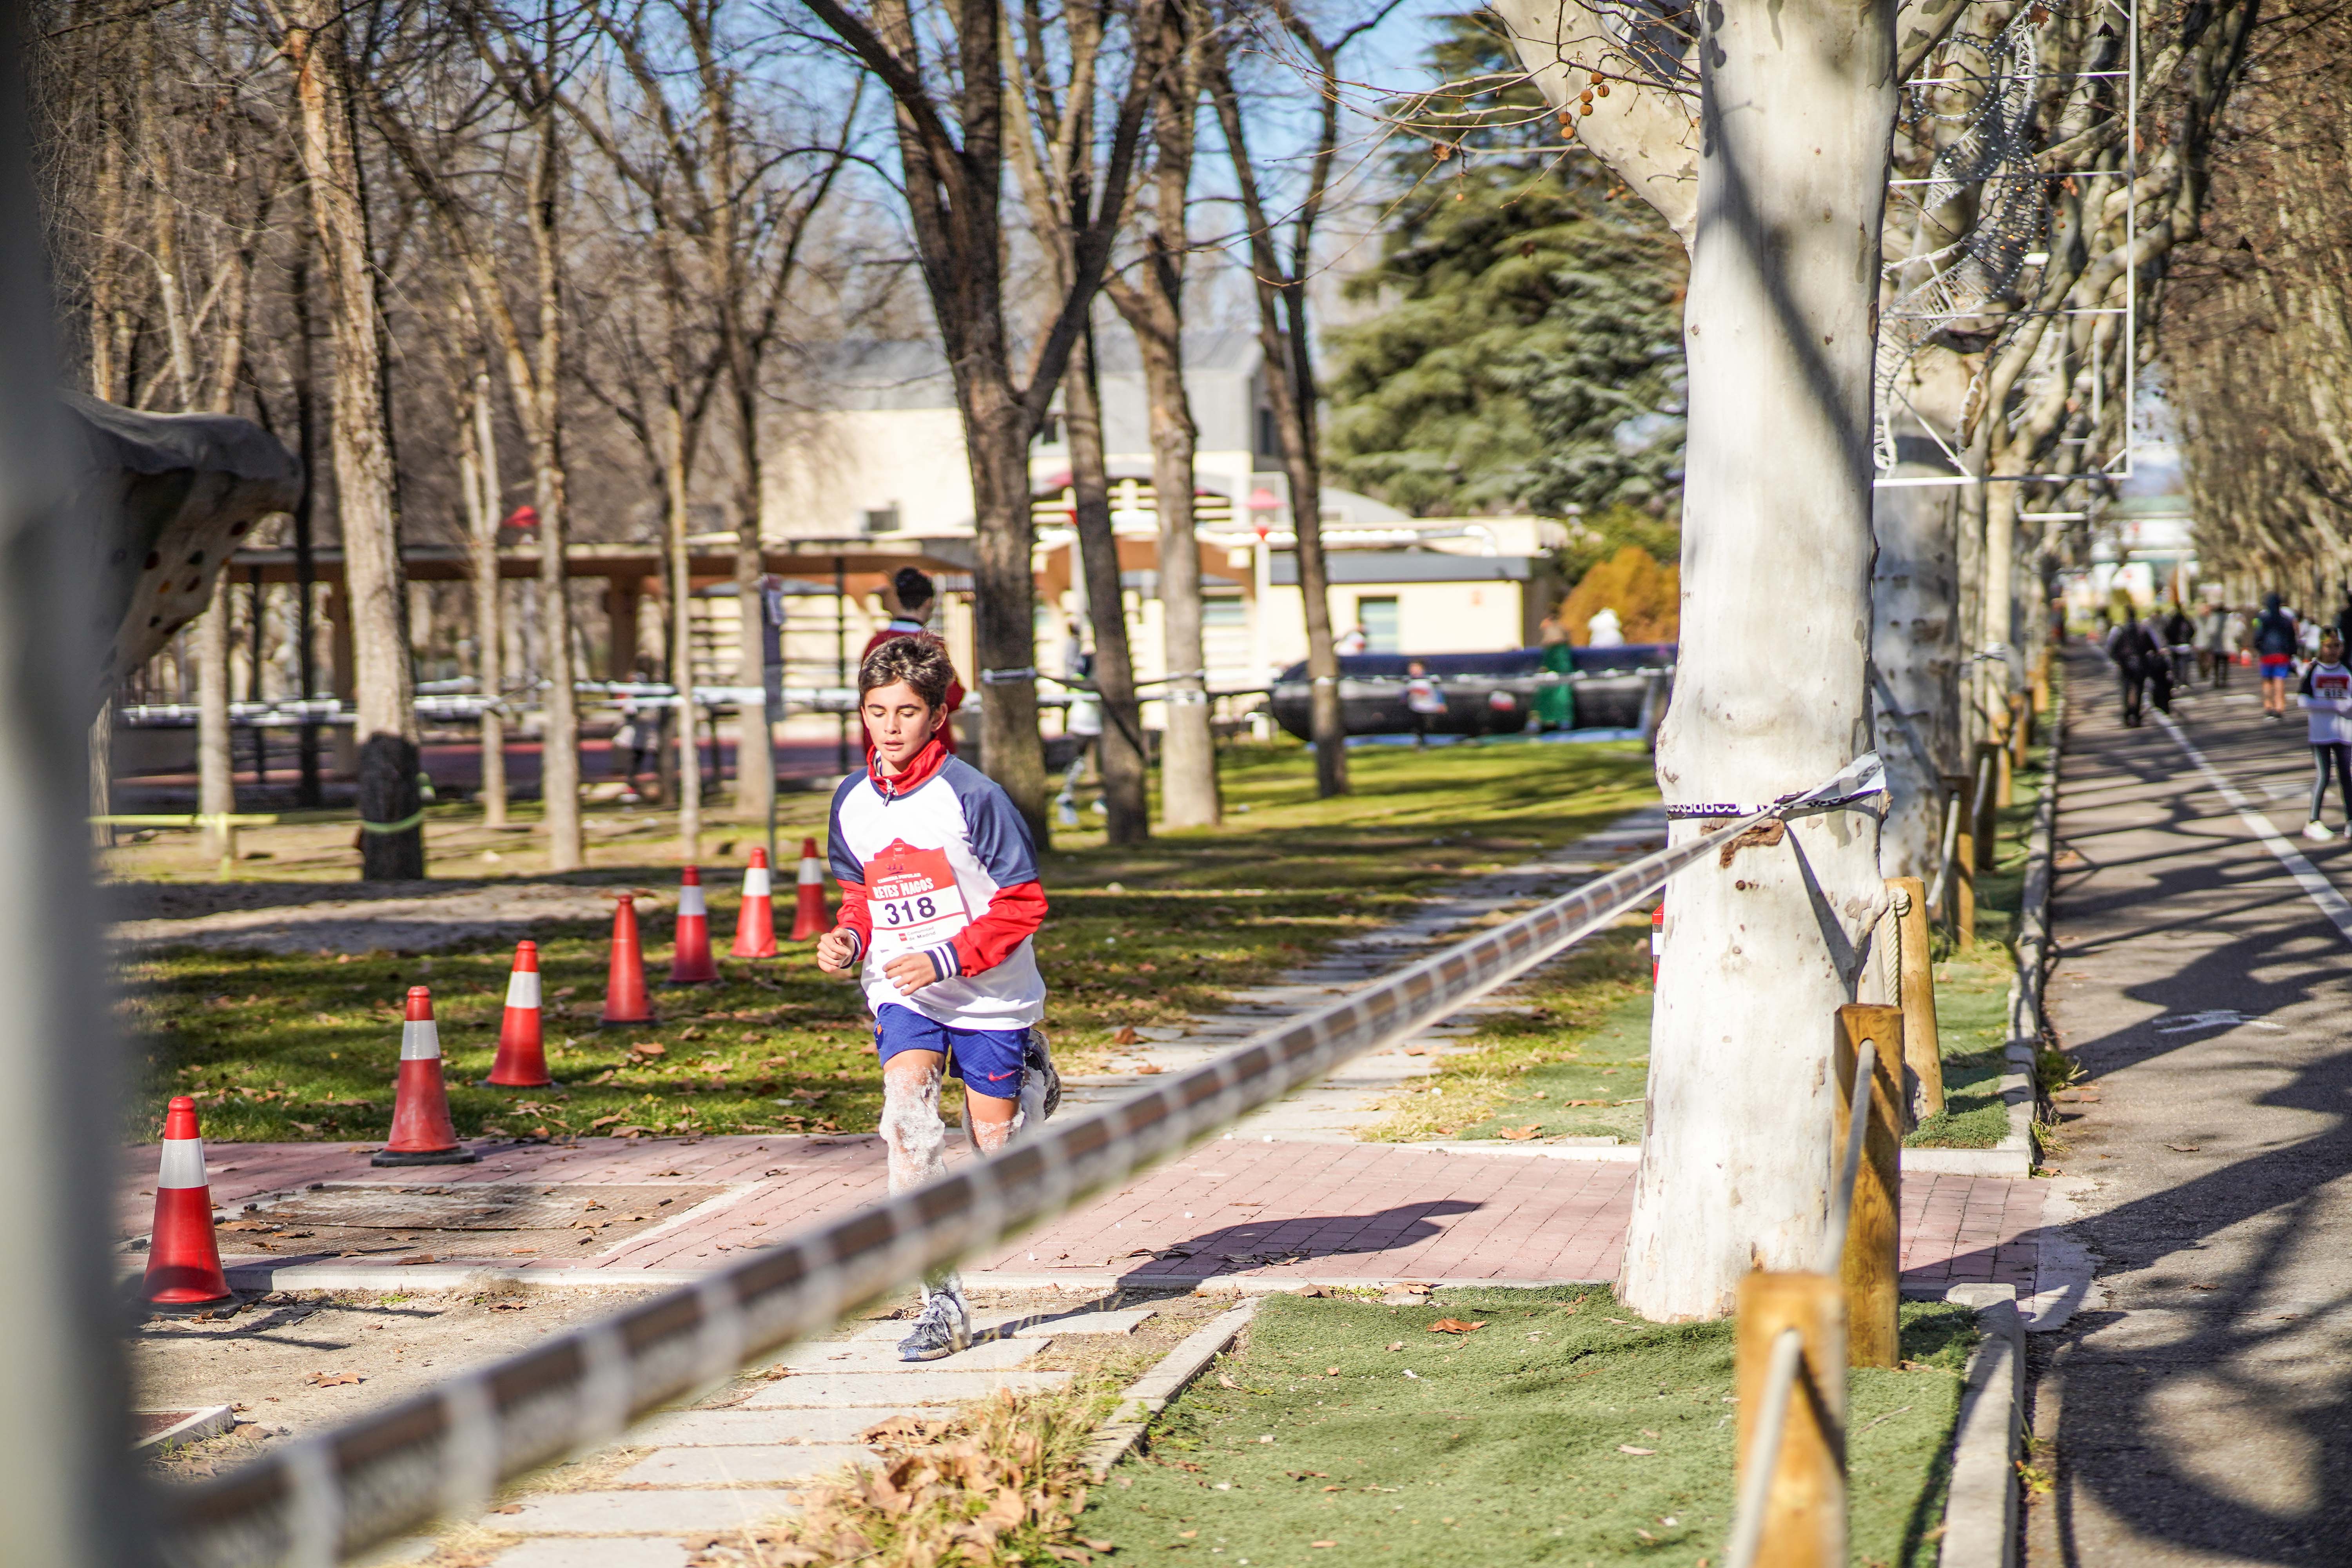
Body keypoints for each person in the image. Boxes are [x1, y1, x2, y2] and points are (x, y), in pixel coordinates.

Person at [815, 636, 1056, 1361]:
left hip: (988, 992)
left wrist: (950, 956)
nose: (889, 727)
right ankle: (940, 1305)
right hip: (902, 990)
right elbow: (863, 894)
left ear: (937, 715)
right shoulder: (852, 801)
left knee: (1000, 1157)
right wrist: (850, 941)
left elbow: (1024, 901)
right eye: (876, 711)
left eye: (907, 712)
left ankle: (1032, 1073)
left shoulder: (972, 796)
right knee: (909, 1123)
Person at [862, 567, 966, 753]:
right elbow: (954, 696)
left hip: (883, 746)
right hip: (928, 747)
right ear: (928, 602)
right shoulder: (931, 645)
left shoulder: (876, 643)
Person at [2301, 631, 2352, 841]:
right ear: (2321, 647)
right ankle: (2314, 821)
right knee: (2323, 776)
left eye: (2337, 646)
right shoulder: (2314, 670)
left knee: (2346, 777)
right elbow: (2303, 700)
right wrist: (2331, 706)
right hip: (2320, 733)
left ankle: (2350, 820)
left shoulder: (2347, 670)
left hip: (2345, 733)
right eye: (2329, 646)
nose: (2334, 651)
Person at [2254, 593, 2299, 720]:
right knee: (2279, 680)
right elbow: (2292, 638)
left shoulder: (2263, 619)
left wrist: (2259, 647)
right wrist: (2292, 652)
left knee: (2267, 681)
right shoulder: (2287, 620)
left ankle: (2268, 706)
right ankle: (2280, 707)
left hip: (2267, 653)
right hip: (2282, 654)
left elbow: (2258, 636)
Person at [2106, 610, 2153, 727]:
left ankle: (2127, 715)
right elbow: (2153, 647)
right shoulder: (2143, 630)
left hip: (2125, 666)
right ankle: (2136, 715)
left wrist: (2119, 661)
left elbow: (2112, 650)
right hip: (2141, 666)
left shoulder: (2120, 631)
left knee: (2126, 690)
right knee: (2139, 689)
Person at [1404, 659, 1445, 747]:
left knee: (1430, 727)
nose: (1413, 670)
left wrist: (1441, 704)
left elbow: (1437, 691)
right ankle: (1421, 744)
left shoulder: (1430, 680)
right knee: (1418, 728)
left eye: (1416, 668)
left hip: (1429, 708)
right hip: (1416, 708)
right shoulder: (1409, 681)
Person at [2163, 602, 2195, 685]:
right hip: (2185, 644)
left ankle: (2178, 680)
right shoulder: (2186, 619)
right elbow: (2193, 630)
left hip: (2174, 645)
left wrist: (2170, 641)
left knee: (2175, 664)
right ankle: (2183, 680)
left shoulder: (2171, 620)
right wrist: (2188, 639)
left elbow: (2166, 632)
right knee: (2184, 664)